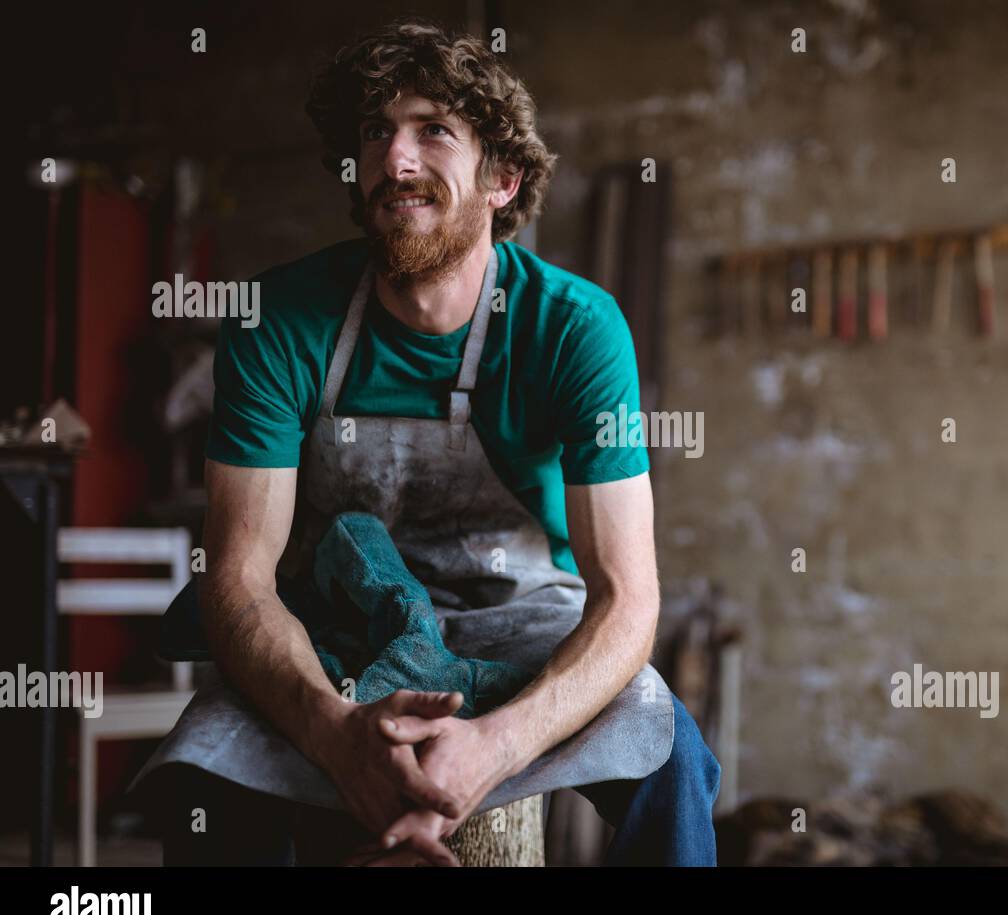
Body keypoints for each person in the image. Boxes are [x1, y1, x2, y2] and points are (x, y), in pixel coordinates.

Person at [146, 18, 720, 867]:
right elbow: (238, 579)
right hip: (337, 621)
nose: (396, 160)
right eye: (376, 132)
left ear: (503, 177)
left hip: (522, 620)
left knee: (670, 758)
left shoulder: (575, 328)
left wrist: (494, 745)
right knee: (206, 770)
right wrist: (340, 740)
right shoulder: (279, 317)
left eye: (433, 132)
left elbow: (627, 599)